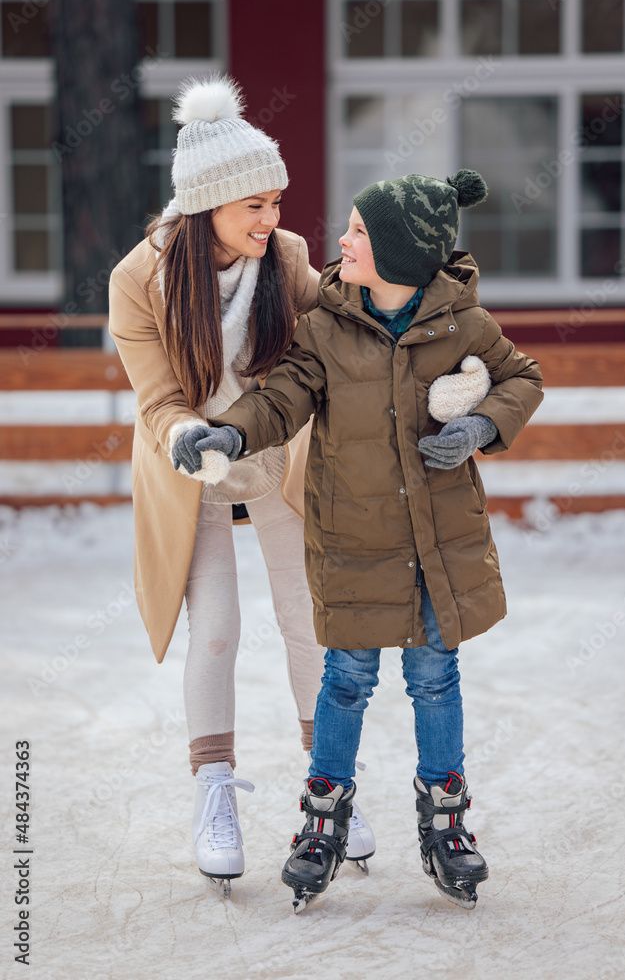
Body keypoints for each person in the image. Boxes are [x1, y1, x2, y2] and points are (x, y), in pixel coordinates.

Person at [179, 169, 544, 910]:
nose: (338, 241)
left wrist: (479, 425)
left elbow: (521, 378)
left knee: (434, 680)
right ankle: (322, 820)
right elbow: (280, 398)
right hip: (350, 541)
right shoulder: (323, 327)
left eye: (357, 232)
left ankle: (446, 824)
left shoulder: (461, 326)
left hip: (436, 547)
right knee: (343, 681)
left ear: (402, 257)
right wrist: (230, 430)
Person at [108, 73, 375, 898]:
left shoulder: (286, 259)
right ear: (206, 207)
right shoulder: (139, 279)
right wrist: (190, 436)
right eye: (253, 204)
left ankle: (328, 790)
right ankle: (213, 793)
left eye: (276, 200)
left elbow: (343, 325)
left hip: (275, 457)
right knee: (216, 629)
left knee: (308, 620)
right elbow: (156, 399)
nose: (272, 220)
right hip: (192, 469)